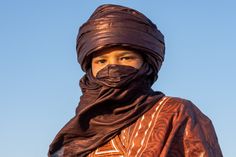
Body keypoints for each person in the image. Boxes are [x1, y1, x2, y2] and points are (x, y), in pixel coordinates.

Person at [48, 4, 223, 157]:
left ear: (145, 64)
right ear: (90, 68)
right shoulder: (78, 131)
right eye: (101, 61)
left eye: (125, 58)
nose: (112, 67)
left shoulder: (177, 113)